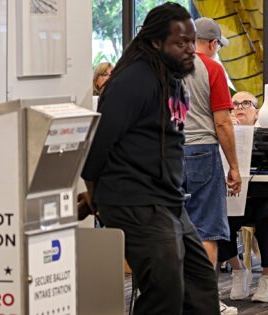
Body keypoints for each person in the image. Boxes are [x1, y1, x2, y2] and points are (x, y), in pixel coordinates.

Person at [81, 3, 220, 314]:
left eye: (191, 41)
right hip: (135, 201)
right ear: (157, 43)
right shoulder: (133, 81)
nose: (189, 50)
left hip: (168, 200)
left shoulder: (171, 78)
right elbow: (98, 143)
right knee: (164, 293)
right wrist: (94, 196)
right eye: (180, 43)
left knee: (200, 285)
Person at [182, 17, 241, 314]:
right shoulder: (213, 68)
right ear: (213, 43)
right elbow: (222, 122)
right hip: (202, 152)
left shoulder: (169, 64)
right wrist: (234, 166)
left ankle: (175, 299)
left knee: (172, 230)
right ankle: (205, 303)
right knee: (206, 231)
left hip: (167, 153)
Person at [219, 90, 268, 303]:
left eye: (246, 103)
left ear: (258, 110)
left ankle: (267, 277)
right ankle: (237, 270)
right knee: (217, 217)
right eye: (235, 104)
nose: (239, 108)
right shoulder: (223, 134)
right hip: (237, 197)